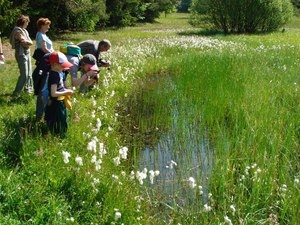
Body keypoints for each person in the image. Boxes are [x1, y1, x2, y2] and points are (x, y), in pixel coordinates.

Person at [44, 51, 74, 138]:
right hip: (56, 103)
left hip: (60, 101)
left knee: (62, 120)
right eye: (62, 65)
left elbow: (59, 88)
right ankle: (59, 137)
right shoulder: (54, 76)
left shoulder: (58, 73)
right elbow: (53, 93)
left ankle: (60, 136)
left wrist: (67, 89)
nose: (64, 67)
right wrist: (66, 92)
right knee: (58, 121)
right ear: (54, 64)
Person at [32, 17, 54, 121]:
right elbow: (45, 49)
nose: (48, 26)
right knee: (43, 87)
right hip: (44, 64)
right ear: (42, 26)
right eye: (47, 25)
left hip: (48, 62)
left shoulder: (44, 34)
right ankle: (39, 115)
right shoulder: (40, 35)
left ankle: (45, 112)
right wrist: (55, 55)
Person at [9, 15, 33, 97]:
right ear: (23, 22)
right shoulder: (17, 30)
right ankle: (16, 94)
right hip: (21, 53)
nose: (28, 24)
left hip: (27, 52)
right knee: (24, 74)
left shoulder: (25, 31)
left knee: (29, 73)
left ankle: (28, 91)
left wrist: (28, 42)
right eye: (27, 22)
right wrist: (28, 42)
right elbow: (22, 41)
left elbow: (30, 42)